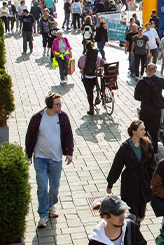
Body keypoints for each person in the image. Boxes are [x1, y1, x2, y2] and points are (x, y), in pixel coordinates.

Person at [25, 93, 74, 229]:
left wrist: (69, 153)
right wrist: (28, 155)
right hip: (40, 158)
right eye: (57, 104)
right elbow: (29, 137)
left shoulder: (63, 117)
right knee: (42, 186)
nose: (60, 106)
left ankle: (51, 205)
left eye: (60, 104)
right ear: (50, 105)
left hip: (56, 158)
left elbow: (69, 134)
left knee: (54, 187)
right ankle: (42, 215)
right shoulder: (38, 118)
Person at [106, 120, 157, 224]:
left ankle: (137, 222)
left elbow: (152, 165)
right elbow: (117, 166)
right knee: (133, 213)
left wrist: (155, 181)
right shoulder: (125, 148)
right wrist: (110, 183)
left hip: (143, 183)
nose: (144, 131)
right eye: (141, 129)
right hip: (130, 184)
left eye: (144, 129)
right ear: (134, 131)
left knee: (141, 213)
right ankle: (134, 230)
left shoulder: (147, 144)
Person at [134, 64, 164, 155]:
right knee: (154, 133)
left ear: (146, 70)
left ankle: (143, 150)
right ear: (155, 70)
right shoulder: (160, 81)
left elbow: (136, 96)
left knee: (143, 132)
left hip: (145, 111)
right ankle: (154, 153)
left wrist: (144, 99)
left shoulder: (141, 82)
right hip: (156, 112)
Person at [79, 40, 104, 116]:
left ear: (86, 48)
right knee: (96, 87)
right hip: (94, 76)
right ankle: (98, 96)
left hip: (86, 77)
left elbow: (80, 66)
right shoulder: (97, 57)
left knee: (89, 93)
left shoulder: (83, 57)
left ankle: (91, 108)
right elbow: (102, 63)